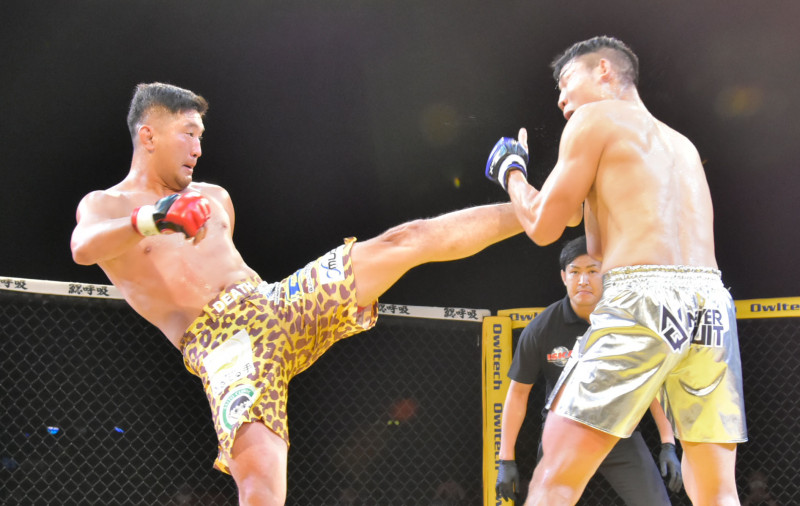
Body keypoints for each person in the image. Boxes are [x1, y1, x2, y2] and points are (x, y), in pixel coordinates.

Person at [70, 82, 524, 506]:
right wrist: (154, 218)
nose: (198, 148)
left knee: (405, 240)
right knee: (261, 489)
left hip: (275, 302)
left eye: (201, 136)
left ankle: (534, 209)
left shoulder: (214, 197)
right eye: (188, 133)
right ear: (148, 135)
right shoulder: (106, 205)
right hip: (221, 343)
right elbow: (82, 248)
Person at [484, 36, 746, 505]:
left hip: (643, 296)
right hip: (712, 306)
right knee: (716, 491)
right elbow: (599, 248)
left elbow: (542, 227)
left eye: (566, 81)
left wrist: (511, 171)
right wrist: (589, 194)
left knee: (556, 474)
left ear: (604, 69)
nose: (561, 99)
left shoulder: (594, 119)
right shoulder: (682, 145)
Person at [496, 236, 682, 505]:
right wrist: (505, 459)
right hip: (564, 433)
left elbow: (651, 386)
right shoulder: (542, 328)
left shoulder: (627, 322)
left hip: (620, 431)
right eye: (575, 272)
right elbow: (518, 394)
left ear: (607, 275)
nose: (583, 280)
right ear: (564, 276)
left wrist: (668, 443)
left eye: (593, 271)